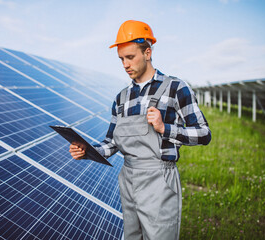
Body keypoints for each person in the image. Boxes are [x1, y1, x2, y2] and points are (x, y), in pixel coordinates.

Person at [69, 20, 211, 240]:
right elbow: (112, 142)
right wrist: (87, 150)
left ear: (147, 52)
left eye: (130, 57)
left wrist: (165, 128)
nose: (125, 64)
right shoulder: (122, 98)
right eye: (121, 59)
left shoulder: (175, 88)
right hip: (128, 178)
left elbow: (203, 134)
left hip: (159, 179)